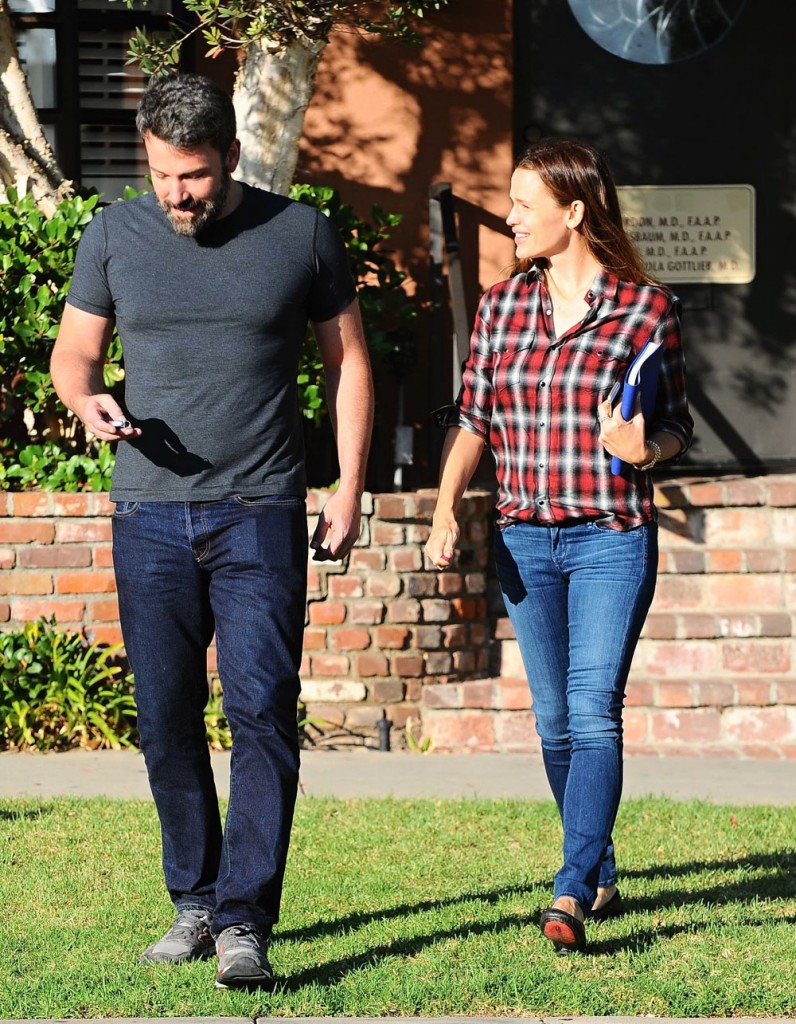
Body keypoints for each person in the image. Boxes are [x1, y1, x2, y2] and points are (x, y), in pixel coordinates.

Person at [50, 73, 374, 989]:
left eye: (191, 175)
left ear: (231, 155)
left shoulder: (300, 233)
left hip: (259, 508)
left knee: (262, 709)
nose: (176, 193)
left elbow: (348, 363)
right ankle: (192, 902)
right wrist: (87, 399)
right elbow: (73, 354)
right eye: (161, 175)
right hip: (146, 510)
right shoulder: (114, 233)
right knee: (163, 717)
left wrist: (348, 486)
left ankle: (245, 921)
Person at [425, 137, 692, 954]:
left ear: (573, 213)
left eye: (523, 205)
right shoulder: (502, 307)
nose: (509, 216)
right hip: (522, 540)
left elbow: (679, 425)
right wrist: (445, 512)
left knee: (593, 711)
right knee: (551, 723)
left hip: (610, 536)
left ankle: (571, 890)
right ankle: (600, 864)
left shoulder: (645, 309)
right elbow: (474, 420)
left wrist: (647, 449)